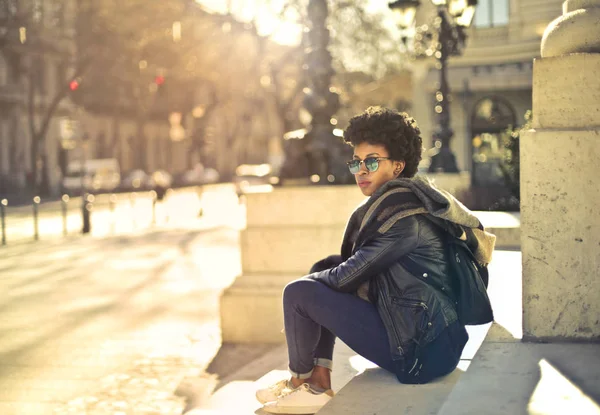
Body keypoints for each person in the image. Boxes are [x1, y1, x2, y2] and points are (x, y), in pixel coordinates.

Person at [257, 107, 496, 414]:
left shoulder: (404, 219)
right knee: (322, 267)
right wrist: (318, 280)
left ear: (398, 166)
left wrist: (306, 292)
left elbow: (344, 279)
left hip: (424, 353)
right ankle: (318, 380)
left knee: (298, 292)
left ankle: (297, 381)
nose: (360, 171)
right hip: (429, 332)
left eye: (371, 161)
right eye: (356, 162)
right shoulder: (404, 201)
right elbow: (345, 269)